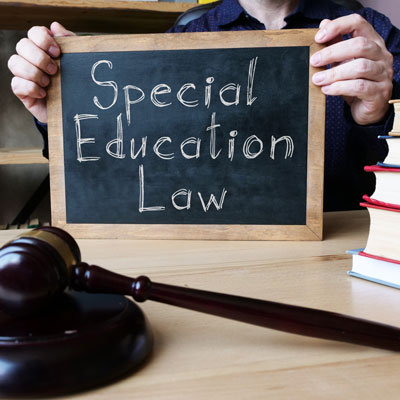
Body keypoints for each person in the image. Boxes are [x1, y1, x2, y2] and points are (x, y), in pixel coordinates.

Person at [7, 0, 400, 211]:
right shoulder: (183, 40)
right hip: (215, 254)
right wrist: (62, 110)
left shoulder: (372, 36)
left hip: (346, 253)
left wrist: (378, 116)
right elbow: (132, 172)